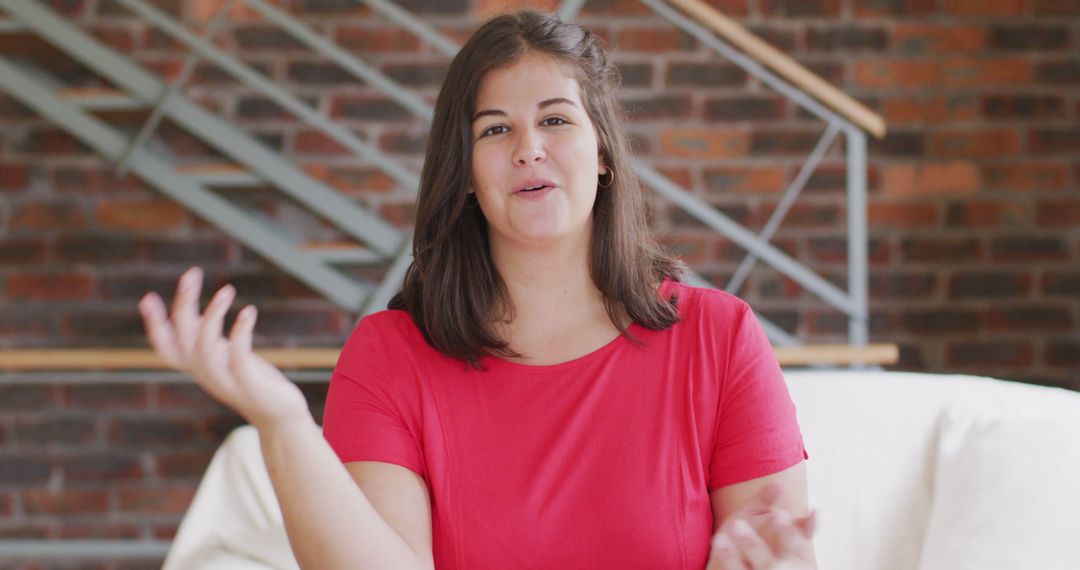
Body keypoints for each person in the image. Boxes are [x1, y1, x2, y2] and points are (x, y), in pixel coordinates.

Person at [138, 10, 816, 570]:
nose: (528, 148)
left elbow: (787, 554)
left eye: (556, 120)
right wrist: (282, 421)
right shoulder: (389, 356)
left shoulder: (720, 338)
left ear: (604, 153)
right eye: (496, 129)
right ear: (463, 174)